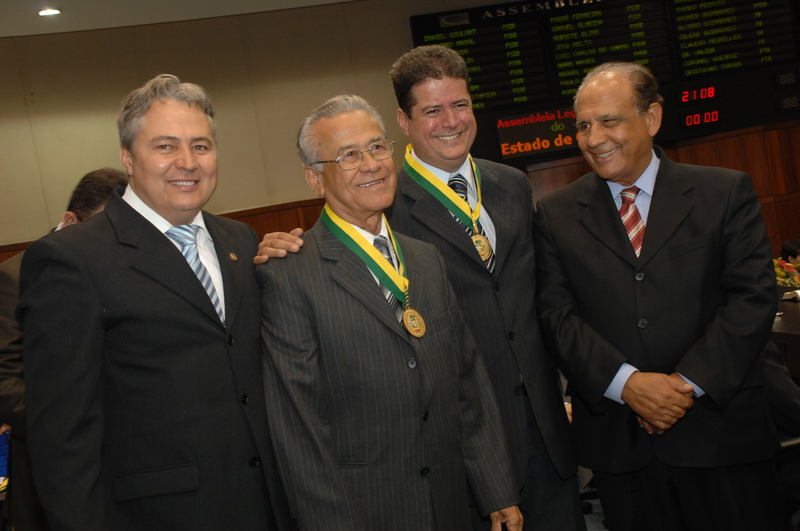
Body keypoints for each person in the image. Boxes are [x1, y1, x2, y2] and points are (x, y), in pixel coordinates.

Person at [258, 45, 585, 531]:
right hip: (379, 501)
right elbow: (301, 430)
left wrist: (496, 487)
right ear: (314, 178)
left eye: (376, 148)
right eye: (348, 155)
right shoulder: (293, 270)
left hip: (488, 470)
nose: (370, 164)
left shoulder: (433, 251)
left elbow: (469, 375)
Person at [17, 74, 290, 531]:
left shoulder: (240, 240)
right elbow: (61, 436)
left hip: (262, 506)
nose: (188, 162)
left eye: (201, 146)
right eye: (165, 146)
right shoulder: (72, 259)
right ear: (128, 157)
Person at [533, 61, 781, 530]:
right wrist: (628, 384)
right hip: (623, 449)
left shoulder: (724, 191)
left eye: (609, 121)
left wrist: (684, 386)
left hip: (722, 436)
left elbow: (752, 298)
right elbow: (556, 316)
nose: (593, 138)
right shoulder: (555, 214)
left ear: (651, 118)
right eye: (583, 126)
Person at [0, 168, 127, 531]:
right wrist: (76, 426)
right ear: (70, 221)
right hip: (53, 466)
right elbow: (5, 380)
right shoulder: (14, 276)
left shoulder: (124, 266)